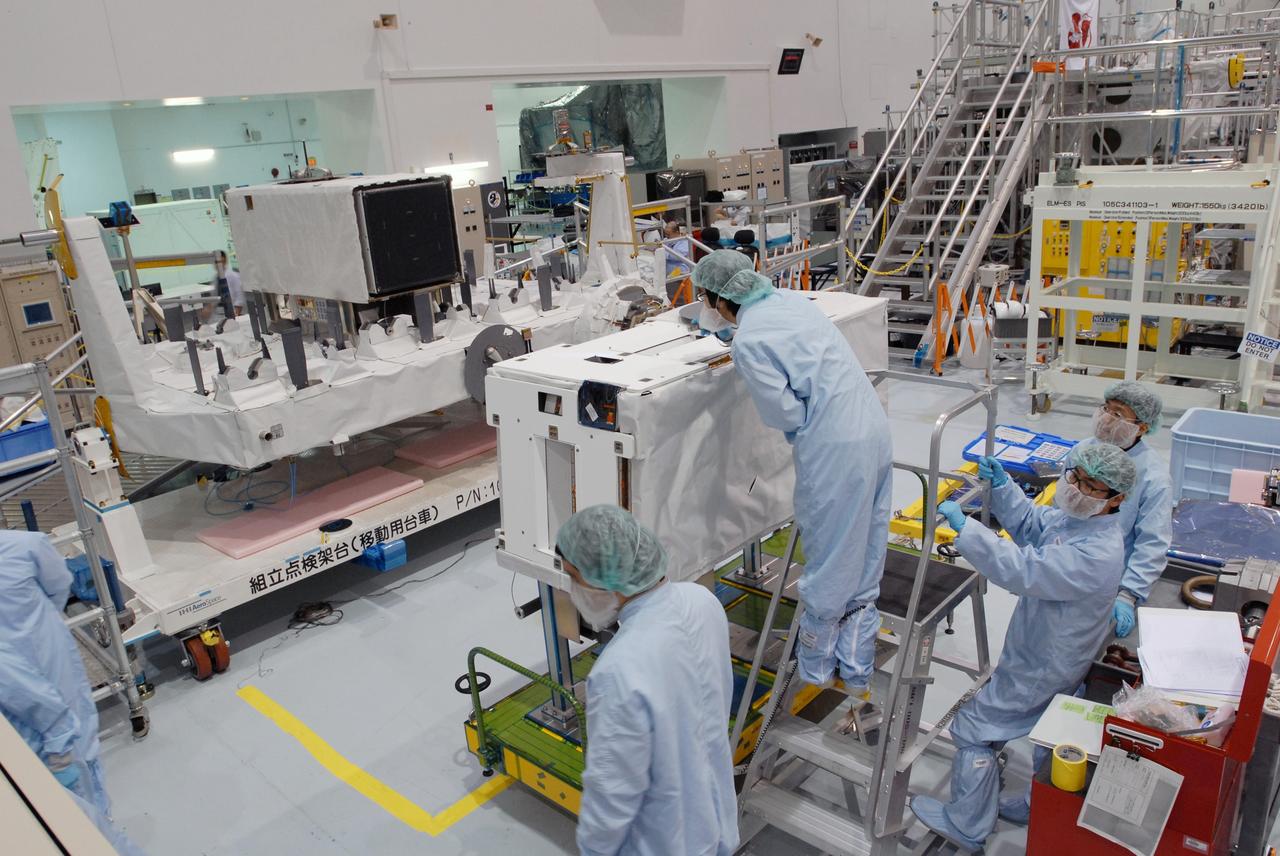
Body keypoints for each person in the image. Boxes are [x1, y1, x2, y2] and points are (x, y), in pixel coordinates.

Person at [692, 250, 894, 719]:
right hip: (873, 429)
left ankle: (818, 668)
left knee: (831, 548)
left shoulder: (750, 341)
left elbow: (786, 413)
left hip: (834, 445)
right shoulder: (794, 304)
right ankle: (857, 661)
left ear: (719, 299)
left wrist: (738, 343)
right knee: (866, 541)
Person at [909, 443, 1137, 852]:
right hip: (1048, 652)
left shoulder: (1096, 553)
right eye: (1074, 477)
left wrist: (967, 531)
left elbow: (1025, 570)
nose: (1077, 488)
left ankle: (967, 825)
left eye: (1092, 485)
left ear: (1116, 499)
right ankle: (1039, 804)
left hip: (1043, 662)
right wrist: (1003, 487)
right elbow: (1034, 524)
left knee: (975, 727)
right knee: (1049, 727)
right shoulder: (1079, 524)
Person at [557, 505, 738, 856]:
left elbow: (612, 797)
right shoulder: (702, 602)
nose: (572, 589)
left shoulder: (619, 671)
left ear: (601, 579)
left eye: (573, 576)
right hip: (716, 824)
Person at [0, 530, 140, 852]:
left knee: (80, 784)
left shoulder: (24, 546)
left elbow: (59, 587)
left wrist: (37, 626)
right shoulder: (23, 546)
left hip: (47, 690)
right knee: (81, 795)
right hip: (40, 696)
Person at [1073, 381, 1173, 640]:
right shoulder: (1082, 450)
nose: (1106, 418)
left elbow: (1153, 541)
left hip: (1109, 580)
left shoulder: (1153, 477)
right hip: (1067, 562)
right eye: (1106, 408)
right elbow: (1060, 509)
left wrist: (1128, 594)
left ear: (1141, 427)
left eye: (1118, 413)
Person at [214, 249, 244, 317]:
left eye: (220, 262)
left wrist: (236, 314)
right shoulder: (216, 277)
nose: (218, 265)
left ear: (225, 261)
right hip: (219, 313)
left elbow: (239, 295)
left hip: (231, 311)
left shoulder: (232, 275)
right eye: (216, 262)